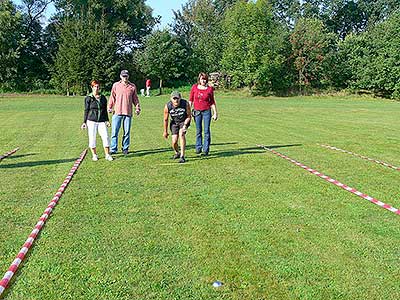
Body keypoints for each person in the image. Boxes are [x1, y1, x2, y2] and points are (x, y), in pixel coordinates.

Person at [108, 70, 141, 155]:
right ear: (120, 76)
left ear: (128, 76)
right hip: (117, 112)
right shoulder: (116, 85)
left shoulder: (132, 86)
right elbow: (112, 97)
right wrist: (110, 107)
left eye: (126, 76)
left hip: (128, 113)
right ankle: (113, 149)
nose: (125, 77)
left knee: (126, 132)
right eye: (123, 76)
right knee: (114, 132)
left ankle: (125, 148)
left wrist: (137, 108)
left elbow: (135, 99)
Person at [81, 80, 113, 161]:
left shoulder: (103, 98)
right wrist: (84, 122)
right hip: (91, 121)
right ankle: (94, 155)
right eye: (95, 86)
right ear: (92, 87)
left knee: (105, 137)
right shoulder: (88, 98)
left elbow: (104, 110)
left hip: (101, 121)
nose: (97, 88)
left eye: (98, 86)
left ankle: (107, 154)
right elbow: (86, 110)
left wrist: (107, 120)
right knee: (92, 138)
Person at [189, 72, 218, 156]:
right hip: (197, 111)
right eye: (202, 79)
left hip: (206, 111)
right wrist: (188, 111)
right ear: (199, 79)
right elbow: (191, 100)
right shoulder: (194, 87)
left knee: (206, 131)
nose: (204, 81)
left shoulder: (209, 89)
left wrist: (215, 113)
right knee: (198, 131)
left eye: (205, 79)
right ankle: (198, 148)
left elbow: (212, 102)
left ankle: (205, 149)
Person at [163, 91, 191, 163]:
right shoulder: (168, 106)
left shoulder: (185, 104)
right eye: (174, 99)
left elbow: (189, 116)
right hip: (174, 122)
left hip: (183, 121)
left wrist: (185, 125)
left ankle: (182, 156)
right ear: (171, 99)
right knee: (174, 141)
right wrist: (165, 131)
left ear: (180, 98)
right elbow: (166, 119)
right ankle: (177, 152)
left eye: (177, 98)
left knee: (181, 134)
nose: (176, 100)